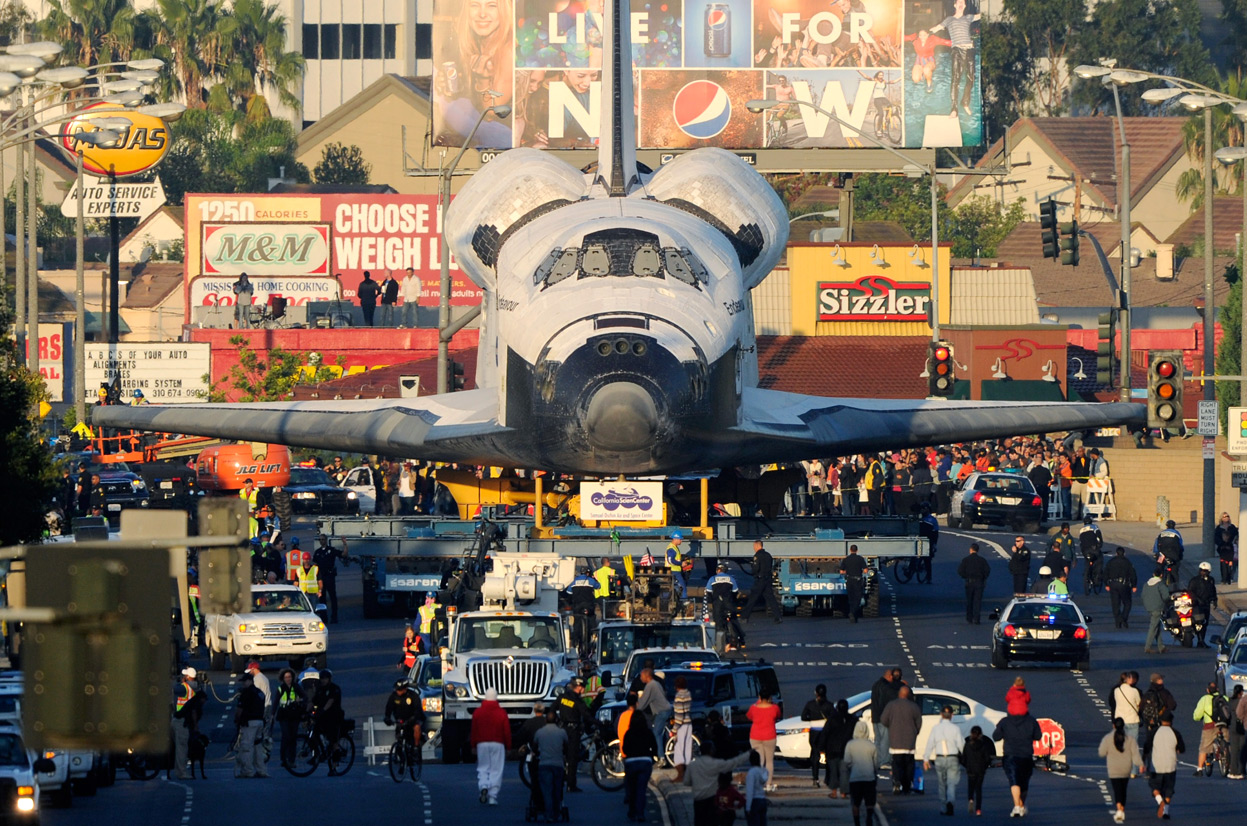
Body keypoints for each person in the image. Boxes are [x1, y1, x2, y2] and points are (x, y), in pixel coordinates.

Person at [929, 0, 981, 117]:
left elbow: (981, 16)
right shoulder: (949, 19)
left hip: (969, 50)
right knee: (956, 79)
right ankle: (954, 108)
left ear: (965, 6)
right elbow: (938, 27)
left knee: (971, 78)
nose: (961, 4)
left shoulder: (968, 17)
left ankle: (965, 102)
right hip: (957, 50)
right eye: (959, 2)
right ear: (955, 5)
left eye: (963, 2)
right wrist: (928, 31)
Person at [684, 741, 753, 826]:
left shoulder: (693, 765)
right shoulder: (716, 763)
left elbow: (686, 782)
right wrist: (747, 754)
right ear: (711, 751)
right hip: (712, 800)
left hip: (698, 801)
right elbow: (733, 762)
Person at [992, 706, 1041, 817]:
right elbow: (1038, 736)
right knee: (1024, 782)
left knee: (1014, 780)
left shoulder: (1005, 721)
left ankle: (1017, 806)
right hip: (1026, 755)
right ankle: (1021, 804)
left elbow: (996, 737)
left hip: (1010, 755)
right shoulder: (1031, 720)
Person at [1100, 717, 1144, 823]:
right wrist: (1140, 765)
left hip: (1113, 768)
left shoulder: (1108, 738)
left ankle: (1119, 808)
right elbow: (1135, 754)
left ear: (1113, 725)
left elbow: (1101, 752)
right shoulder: (1130, 739)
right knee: (1123, 789)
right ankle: (1122, 807)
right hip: (1126, 768)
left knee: (1117, 789)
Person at [471, 686, 510, 805]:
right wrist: (508, 746)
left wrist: (473, 745)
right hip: (497, 743)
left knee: (483, 767)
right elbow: (506, 731)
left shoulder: (478, 712)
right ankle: (493, 795)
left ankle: (483, 785)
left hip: (482, 743)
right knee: (496, 769)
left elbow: (474, 730)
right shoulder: (501, 712)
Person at [880, 685, 922, 794]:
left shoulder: (891, 705)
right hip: (910, 742)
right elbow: (918, 723)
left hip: (895, 740)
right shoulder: (914, 707)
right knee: (909, 764)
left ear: (899, 694)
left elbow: (883, 720)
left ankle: (897, 781)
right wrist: (914, 732)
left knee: (897, 763)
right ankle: (907, 784)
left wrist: (892, 726)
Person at [923, 704, 963, 817]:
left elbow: (930, 744)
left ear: (941, 715)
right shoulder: (955, 728)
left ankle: (943, 806)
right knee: (951, 782)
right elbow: (961, 745)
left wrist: (926, 759)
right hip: (952, 757)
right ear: (952, 715)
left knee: (941, 783)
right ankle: (950, 800)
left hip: (940, 758)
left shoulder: (936, 728)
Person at [556, 677, 594, 791]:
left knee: (561, 755)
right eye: (583, 687)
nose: (584, 690)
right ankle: (571, 785)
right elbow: (587, 716)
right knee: (572, 758)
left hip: (562, 729)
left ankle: (561, 778)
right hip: (573, 731)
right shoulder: (577, 701)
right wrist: (600, 723)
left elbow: (552, 709)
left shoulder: (562, 697)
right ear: (578, 687)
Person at [622, 701, 658, 822]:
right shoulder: (648, 732)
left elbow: (625, 748)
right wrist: (652, 756)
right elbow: (654, 746)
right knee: (641, 789)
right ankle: (640, 813)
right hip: (645, 761)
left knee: (632, 789)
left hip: (631, 762)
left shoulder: (629, 733)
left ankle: (632, 811)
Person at [532, 708, 569, 823]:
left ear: (545, 720)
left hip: (544, 764)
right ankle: (556, 812)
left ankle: (548, 814)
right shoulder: (562, 732)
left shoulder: (539, 732)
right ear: (557, 720)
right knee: (557, 790)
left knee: (547, 791)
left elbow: (534, 748)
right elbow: (566, 747)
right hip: (558, 764)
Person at [842, 719, 879, 826]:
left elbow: (847, 761)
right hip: (869, 778)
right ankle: (869, 818)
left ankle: (857, 823)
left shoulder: (850, 745)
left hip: (855, 778)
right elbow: (876, 763)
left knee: (855, 803)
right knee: (870, 802)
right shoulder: (872, 746)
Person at [1149, 711, 1184, 819]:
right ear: (1171, 721)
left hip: (1156, 765)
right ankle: (1166, 811)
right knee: (1169, 789)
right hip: (1170, 765)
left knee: (1154, 786)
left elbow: (1147, 746)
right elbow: (1181, 749)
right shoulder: (1175, 733)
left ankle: (1160, 801)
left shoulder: (1154, 732)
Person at [172, 667, 204, 780]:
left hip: (181, 721)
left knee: (181, 748)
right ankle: (180, 770)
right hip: (187, 721)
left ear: (187, 677)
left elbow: (174, 689)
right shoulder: (196, 687)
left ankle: (181, 772)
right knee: (182, 747)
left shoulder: (184, 687)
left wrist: (181, 681)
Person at [1139, 673, 1178, 768]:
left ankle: (1147, 765)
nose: (1162, 681)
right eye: (1160, 679)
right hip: (1163, 722)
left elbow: (1141, 708)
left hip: (1150, 722)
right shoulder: (1165, 693)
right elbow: (1173, 706)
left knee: (1149, 743)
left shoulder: (1147, 694)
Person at [234, 672, 267, 778]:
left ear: (250, 681)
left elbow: (240, 709)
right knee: (257, 746)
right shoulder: (260, 692)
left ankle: (247, 771)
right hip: (260, 721)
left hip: (249, 722)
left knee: (246, 747)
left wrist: (237, 720)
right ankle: (261, 770)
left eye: (244, 681)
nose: (243, 684)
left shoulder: (246, 693)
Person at [801, 685, 836, 788]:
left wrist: (811, 718)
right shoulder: (829, 705)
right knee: (828, 755)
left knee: (815, 755)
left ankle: (815, 779)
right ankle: (827, 778)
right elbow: (833, 717)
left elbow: (803, 717)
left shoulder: (810, 704)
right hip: (826, 731)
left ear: (816, 693)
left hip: (814, 732)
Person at [707, 562, 745, 653]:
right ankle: (739, 639)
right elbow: (735, 591)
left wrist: (711, 601)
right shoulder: (730, 579)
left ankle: (720, 644)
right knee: (734, 620)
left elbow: (708, 592)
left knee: (718, 624)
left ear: (718, 570)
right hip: (728, 603)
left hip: (718, 604)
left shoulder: (712, 579)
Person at [1192, 682, 1229, 775]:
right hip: (1224, 724)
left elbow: (1196, 716)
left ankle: (1199, 769)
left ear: (1207, 690)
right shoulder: (1224, 698)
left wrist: (1199, 717)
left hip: (1210, 726)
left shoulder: (1204, 699)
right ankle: (1230, 763)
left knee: (1204, 747)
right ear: (1218, 689)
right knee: (1228, 744)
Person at [747, 691, 781, 793]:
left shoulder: (753, 707)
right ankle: (768, 784)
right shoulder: (774, 708)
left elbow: (749, 716)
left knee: (759, 761)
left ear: (759, 697)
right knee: (769, 761)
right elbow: (778, 715)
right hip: (769, 735)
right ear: (770, 697)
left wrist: (758, 702)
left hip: (755, 735)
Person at [741, 540, 781, 623]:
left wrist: (753, 572)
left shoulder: (757, 556)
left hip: (760, 580)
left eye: (754, 546)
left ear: (757, 546)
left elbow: (756, 568)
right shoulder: (768, 555)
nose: (753, 548)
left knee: (753, 598)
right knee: (771, 599)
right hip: (768, 579)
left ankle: (745, 617)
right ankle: (778, 617)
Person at [869, 667, 902, 767]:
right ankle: (884, 761)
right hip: (883, 718)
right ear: (889, 676)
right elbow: (893, 697)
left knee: (878, 740)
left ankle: (877, 761)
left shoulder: (876, 685)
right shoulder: (886, 687)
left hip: (875, 717)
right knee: (885, 740)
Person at [312, 536, 348, 624]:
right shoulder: (317, 552)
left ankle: (334, 617)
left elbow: (343, 554)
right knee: (322, 599)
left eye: (323, 539)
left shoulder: (331, 550)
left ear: (326, 540)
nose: (321, 541)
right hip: (321, 578)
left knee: (333, 598)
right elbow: (314, 565)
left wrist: (345, 544)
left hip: (330, 577)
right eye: (320, 540)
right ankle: (324, 618)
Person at [275, 668, 305, 769]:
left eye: (290, 677)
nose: (288, 679)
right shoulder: (281, 688)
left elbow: (304, 697)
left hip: (294, 714)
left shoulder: (296, 687)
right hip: (283, 714)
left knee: (293, 737)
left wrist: (299, 700)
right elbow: (275, 702)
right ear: (283, 678)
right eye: (286, 677)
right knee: (286, 736)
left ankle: (291, 759)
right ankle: (284, 759)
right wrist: (271, 714)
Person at [962, 725, 995, 817]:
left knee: (971, 786)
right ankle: (978, 809)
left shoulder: (968, 745)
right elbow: (987, 758)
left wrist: (966, 765)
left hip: (970, 769)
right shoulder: (983, 745)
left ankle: (971, 799)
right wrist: (985, 766)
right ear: (980, 734)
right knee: (979, 788)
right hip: (980, 769)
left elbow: (964, 758)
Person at [566, 568, 599, 656]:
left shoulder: (574, 581)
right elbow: (598, 586)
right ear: (587, 573)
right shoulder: (590, 580)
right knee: (592, 617)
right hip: (589, 605)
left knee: (577, 622)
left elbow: (568, 592)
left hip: (577, 606)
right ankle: (594, 633)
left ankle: (575, 640)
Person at [245, 661, 273, 764]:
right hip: (268, 705)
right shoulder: (264, 678)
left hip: (263, 707)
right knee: (265, 730)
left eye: (250, 670)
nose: (250, 673)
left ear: (254, 669)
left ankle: (263, 753)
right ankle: (264, 752)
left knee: (261, 732)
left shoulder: (257, 679)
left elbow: (255, 694)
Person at [957, 542, 991, 624]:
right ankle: (977, 618)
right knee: (977, 601)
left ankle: (969, 618)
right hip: (979, 582)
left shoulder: (966, 560)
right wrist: (983, 577)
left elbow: (960, 571)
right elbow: (987, 570)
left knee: (969, 601)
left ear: (971, 550)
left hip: (969, 582)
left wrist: (965, 576)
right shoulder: (982, 560)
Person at [1186, 562, 1218, 648]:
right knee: (1197, 622)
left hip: (1206, 604)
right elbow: (1190, 592)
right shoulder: (1194, 580)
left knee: (1205, 623)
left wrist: (1215, 600)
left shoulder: (1211, 580)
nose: (1203, 572)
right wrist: (1197, 599)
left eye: (1205, 571)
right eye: (1201, 570)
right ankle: (1196, 638)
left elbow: (1213, 590)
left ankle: (1201, 641)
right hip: (1197, 605)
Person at [1105, 547, 1138, 628]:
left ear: (1116, 553)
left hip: (1113, 584)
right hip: (1124, 585)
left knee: (1115, 603)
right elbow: (1133, 574)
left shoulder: (1111, 562)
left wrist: (1106, 584)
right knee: (1127, 603)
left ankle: (1117, 620)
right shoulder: (1127, 562)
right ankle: (1123, 618)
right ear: (1124, 553)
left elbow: (1105, 573)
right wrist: (1134, 585)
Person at [1111, 672, 1142, 755]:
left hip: (1120, 720)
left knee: (1120, 744)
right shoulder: (1135, 691)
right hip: (1132, 719)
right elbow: (1139, 704)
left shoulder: (1116, 690)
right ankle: (1133, 767)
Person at [1141, 568, 1171, 654]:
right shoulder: (1160, 584)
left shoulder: (1146, 584)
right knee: (1153, 627)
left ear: (1153, 574)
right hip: (1157, 608)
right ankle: (1147, 646)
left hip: (1149, 607)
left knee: (1156, 626)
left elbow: (1142, 596)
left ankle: (1161, 646)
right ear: (1161, 575)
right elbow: (1166, 596)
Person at [672, 676, 695, 783]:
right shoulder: (688, 694)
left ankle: (680, 775)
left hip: (681, 726)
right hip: (688, 724)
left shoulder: (679, 697)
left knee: (679, 751)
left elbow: (679, 715)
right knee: (687, 750)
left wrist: (674, 730)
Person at [840, 544, 869, 623]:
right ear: (857, 550)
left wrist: (848, 571)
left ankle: (851, 612)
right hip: (858, 580)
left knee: (851, 597)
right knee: (858, 598)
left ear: (850, 550)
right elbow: (866, 570)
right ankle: (853, 612)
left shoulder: (846, 559)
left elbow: (841, 571)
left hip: (849, 580)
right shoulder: (860, 559)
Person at [1079, 515, 1104, 594]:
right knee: (1099, 560)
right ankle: (1097, 576)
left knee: (1087, 560)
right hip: (1094, 549)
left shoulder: (1081, 530)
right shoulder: (1095, 527)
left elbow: (1081, 541)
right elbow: (1099, 537)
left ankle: (1087, 576)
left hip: (1085, 550)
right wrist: (1099, 545)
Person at [744, 749, 769, 826]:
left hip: (754, 801)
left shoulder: (751, 773)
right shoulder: (764, 771)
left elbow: (750, 790)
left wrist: (748, 807)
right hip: (762, 799)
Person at [1227, 684, 1245, 779]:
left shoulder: (1231, 701)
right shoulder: (1242, 702)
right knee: (1242, 750)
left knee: (1234, 750)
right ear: (1241, 692)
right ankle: (1241, 771)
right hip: (1242, 727)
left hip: (1233, 727)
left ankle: (1233, 771)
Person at [1215, 512, 1239, 585]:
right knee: (1223, 563)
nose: (1226, 518)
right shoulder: (1219, 528)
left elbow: (1236, 535)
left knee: (1232, 563)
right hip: (1222, 548)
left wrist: (1234, 541)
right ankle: (1224, 578)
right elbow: (1216, 537)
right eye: (1224, 517)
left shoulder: (1232, 527)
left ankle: (1230, 577)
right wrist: (1221, 544)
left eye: (1227, 516)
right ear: (1221, 518)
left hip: (1231, 547)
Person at [665, 531, 687, 599]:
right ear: (675, 539)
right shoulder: (672, 549)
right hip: (674, 571)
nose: (681, 541)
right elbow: (671, 560)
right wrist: (681, 563)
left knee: (677, 588)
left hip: (675, 571)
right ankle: (683, 601)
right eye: (680, 539)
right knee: (682, 587)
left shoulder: (674, 547)